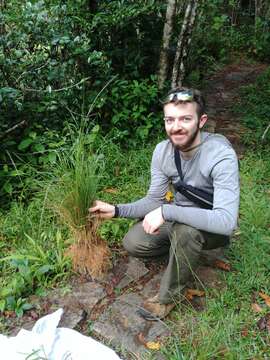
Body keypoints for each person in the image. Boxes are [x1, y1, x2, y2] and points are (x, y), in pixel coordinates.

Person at [89, 87, 240, 320]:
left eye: (185, 119)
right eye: (170, 119)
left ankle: (168, 298)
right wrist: (117, 210)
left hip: (212, 227)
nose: (176, 126)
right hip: (178, 217)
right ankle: (184, 251)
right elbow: (154, 200)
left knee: (186, 232)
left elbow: (226, 221)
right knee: (134, 242)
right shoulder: (163, 151)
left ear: (201, 121)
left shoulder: (220, 154)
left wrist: (166, 211)